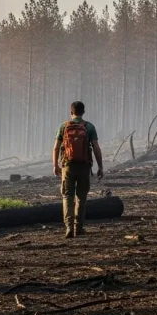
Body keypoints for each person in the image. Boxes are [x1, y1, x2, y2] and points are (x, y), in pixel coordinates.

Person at [52, 101, 103, 238]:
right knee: (81, 196)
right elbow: (96, 148)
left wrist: (55, 165)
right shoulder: (89, 127)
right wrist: (100, 166)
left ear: (71, 112)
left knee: (67, 195)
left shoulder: (63, 126)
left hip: (67, 166)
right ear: (83, 112)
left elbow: (56, 147)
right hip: (84, 166)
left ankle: (68, 227)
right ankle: (79, 227)